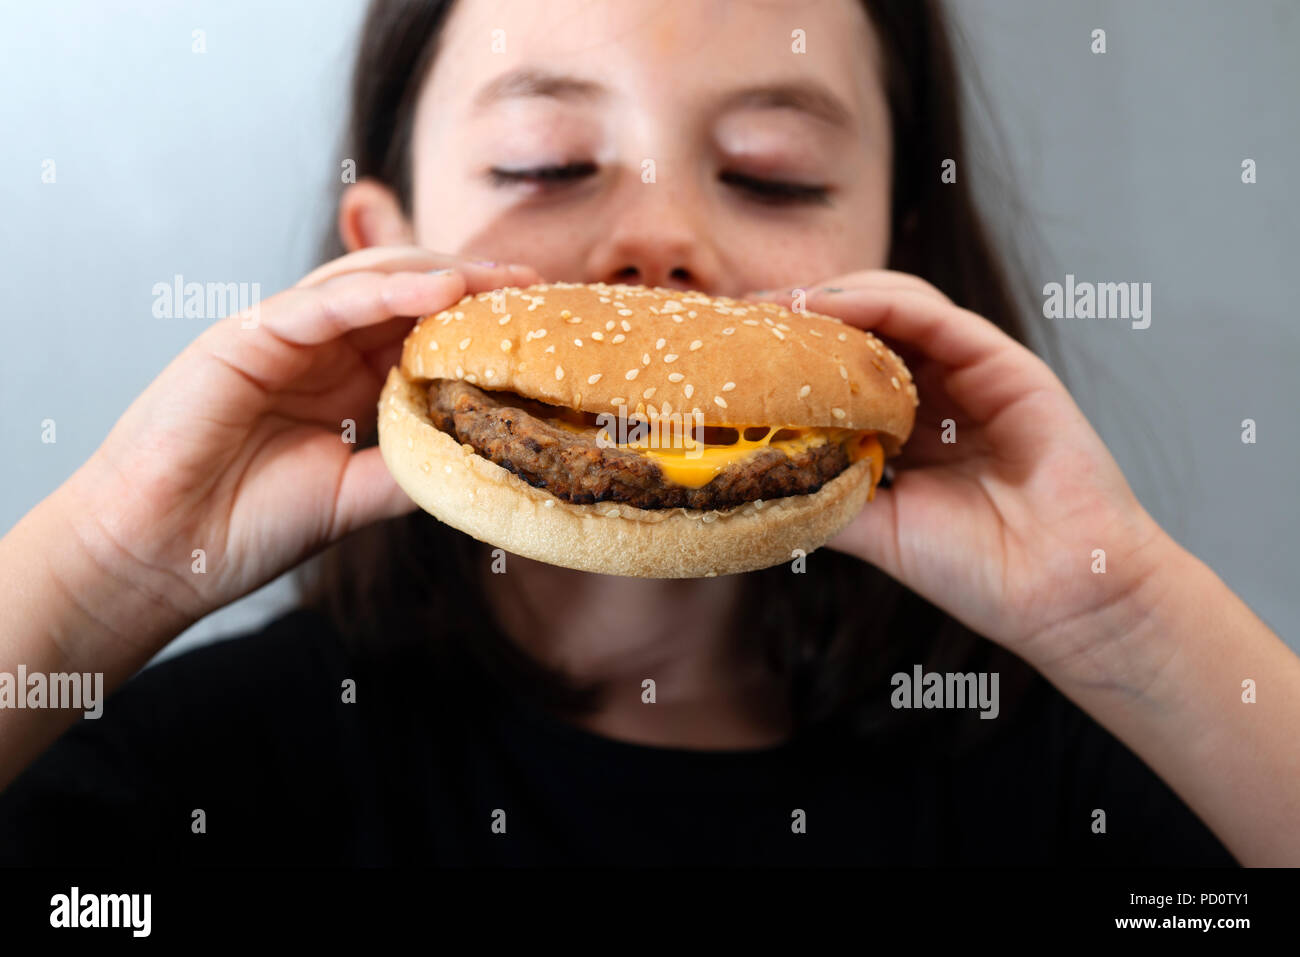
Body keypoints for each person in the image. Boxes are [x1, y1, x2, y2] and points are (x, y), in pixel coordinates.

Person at [1, 0, 1295, 867]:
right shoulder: (221, 764)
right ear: (381, 260)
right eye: (549, 163)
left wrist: (1128, 619)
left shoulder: (1053, 774)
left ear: (898, 277)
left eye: (772, 174)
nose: (659, 243)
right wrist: (98, 572)